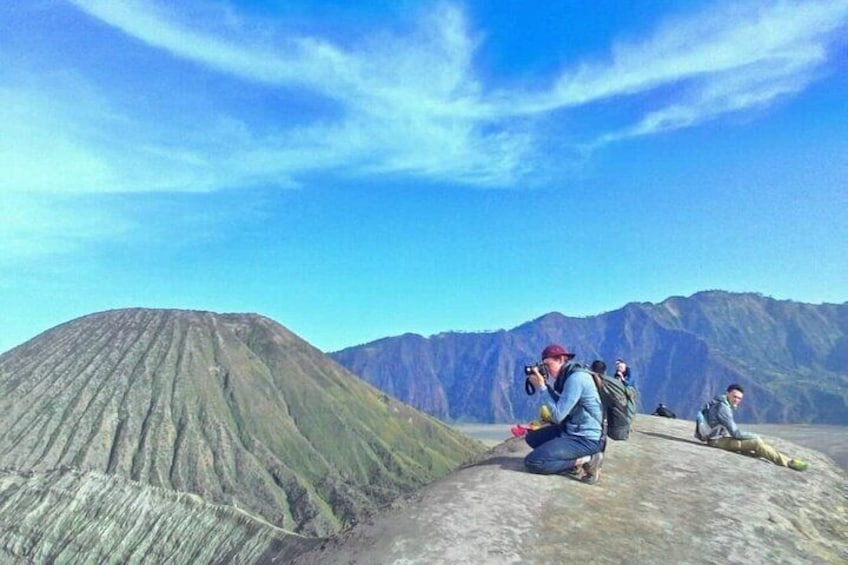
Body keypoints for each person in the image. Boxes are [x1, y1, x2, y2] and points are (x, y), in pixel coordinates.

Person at [523, 344, 605, 484]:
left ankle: (588, 459)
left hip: (586, 438)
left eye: (548, 364)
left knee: (533, 462)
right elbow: (562, 403)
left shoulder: (576, 378)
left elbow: (557, 416)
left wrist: (542, 387)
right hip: (571, 430)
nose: (546, 369)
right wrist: (545, 386)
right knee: (532, 438)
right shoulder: (568, 375)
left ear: (561, 359)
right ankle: (569, 460)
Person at [701, 384, 809, 471]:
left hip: (716, 437)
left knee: (755, 446)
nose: (736, 400)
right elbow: (736, 434)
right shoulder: (724, 409)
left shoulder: (719, 401)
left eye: (739, 398)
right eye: (734, 397)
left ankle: (788, 460)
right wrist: (756, 436)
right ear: (727, 393)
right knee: (756, 443)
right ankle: (789, 463)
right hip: (716, 441)